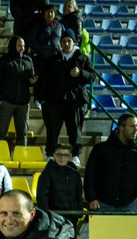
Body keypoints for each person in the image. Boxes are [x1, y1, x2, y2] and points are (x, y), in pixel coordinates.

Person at [36, 30, 94, 162]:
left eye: (69, 41)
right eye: (63, 41)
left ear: (74, 42)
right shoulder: (53, 58)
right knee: (52, 129)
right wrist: (41, 98)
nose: (66, 44)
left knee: (74, 129)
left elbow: (92, 76)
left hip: (75, 100)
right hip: (54, 100)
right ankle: (50, 153)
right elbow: (44, 79)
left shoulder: (82, 58)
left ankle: (75, 155)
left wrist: (80, 73)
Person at [83, 114, 137, 213]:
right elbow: (89, 174)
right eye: (132, 126)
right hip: (103, 204)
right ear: (121, 127)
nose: (136, 129)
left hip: (131, 204)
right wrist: (91, 198)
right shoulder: (101, 149)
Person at [0, 35, 37, 146]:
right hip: (6, 102)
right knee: (1, 132)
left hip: (23, 102)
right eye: (19, 45)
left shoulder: (28, 60)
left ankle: (22, 158)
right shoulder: (2, 61)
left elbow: (31, 76)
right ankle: (0, 154)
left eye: (23, 45)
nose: (22, 48)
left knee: (23, 133)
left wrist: (33, 81)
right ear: (13, 46)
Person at [36, 143, 83, 212]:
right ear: (54, 155)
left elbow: (79, 194)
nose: (62, 158)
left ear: (70, 156)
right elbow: (42, 197)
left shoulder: (75, 173)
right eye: (59, 155)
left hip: (73, 215)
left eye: (66, 155)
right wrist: (47, 215)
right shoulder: (47, 173)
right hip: (54, 216)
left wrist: (79, 210)